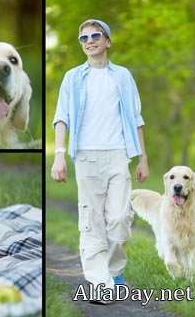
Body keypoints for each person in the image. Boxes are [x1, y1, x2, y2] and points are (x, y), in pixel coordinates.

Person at [51, 19, 149, 302]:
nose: (90, 41)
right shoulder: (72, 78)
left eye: (96, 35)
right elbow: (61, 118)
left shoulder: (123, 76)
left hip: (119, 153)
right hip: (86, 156)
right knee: (91, 221)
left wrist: (143, 158)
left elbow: (137, 118)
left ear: (108, 41)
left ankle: (114, 270)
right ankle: (99, 283)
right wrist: (59, 156)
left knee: (120, 219)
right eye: (84, 38)